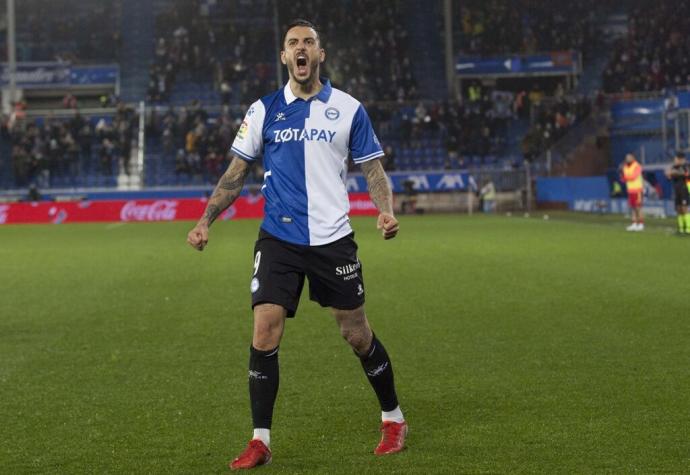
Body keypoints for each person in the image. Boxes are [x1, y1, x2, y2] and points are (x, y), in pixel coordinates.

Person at [186, 19, 406, 470]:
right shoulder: (263, 110)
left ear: (320, 54)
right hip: (279, 238)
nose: (301, 49)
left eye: (308, 43)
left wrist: (385, 209)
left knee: (356, 334)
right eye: (293, 44)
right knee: (264, 329)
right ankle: (260, 440)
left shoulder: (348, 109)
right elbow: (235, 174)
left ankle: (393, 417)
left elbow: (373, 171)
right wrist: (206, 219)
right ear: (284, 57)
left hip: (333, 239)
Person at [665, 152, 690, 234]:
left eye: (676, 159)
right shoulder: (674, 167)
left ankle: (688, 228)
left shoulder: (686, 166)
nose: (674, 161)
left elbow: (686, 174)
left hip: (685, 189)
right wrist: (669, 175)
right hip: (677, 190)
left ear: (680, 159)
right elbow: (669, 177)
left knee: (684, 208)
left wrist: (673, 173)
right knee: (678, 209)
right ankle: (681, 228)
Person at [620, 153, 644, 231]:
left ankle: (641, 224)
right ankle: (634, 223)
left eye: (629, 157)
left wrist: (625, 178)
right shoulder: (625, 167)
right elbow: (622, 179)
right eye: (626, 158)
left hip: (637, 190)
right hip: (630, 190)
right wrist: (624, 177)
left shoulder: (637, 166)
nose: (628, 159)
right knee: (632, 208)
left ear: (633, 158)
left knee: (638, 207)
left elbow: (633, 177)